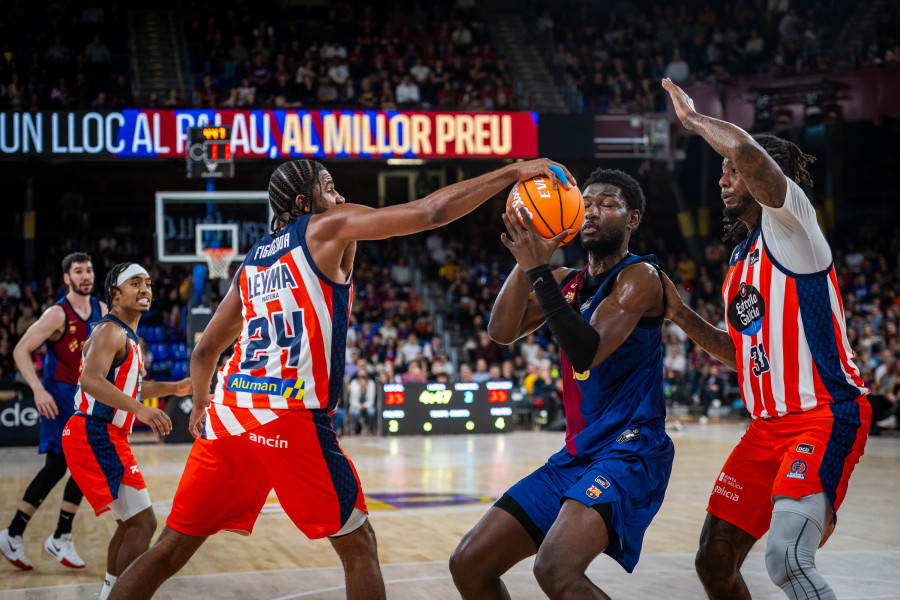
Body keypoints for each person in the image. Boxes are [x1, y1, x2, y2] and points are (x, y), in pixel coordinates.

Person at [108, 157, 573, 600]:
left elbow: (206, 349)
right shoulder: (327, 226)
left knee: (170, 550)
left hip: (229, 416)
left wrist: (204, 408)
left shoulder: (252, 263)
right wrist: (512, 171)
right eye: (328, 187)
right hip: (288, 415)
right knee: (359, 546)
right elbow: (430, 211)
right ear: (301, 204)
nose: (340, 194)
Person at [660, 77, 870, 600]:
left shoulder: (795, 227)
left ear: (761, 176)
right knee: (714, 560)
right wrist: (682, 317)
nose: (723, 179)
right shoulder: (738, 262)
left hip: (823, 416)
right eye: (723, 172)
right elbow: (743, 354)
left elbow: (751, 153)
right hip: (765, 429)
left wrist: (693, 122)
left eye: (732, 171)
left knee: (787, 559)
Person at [451, 168, 674, 598]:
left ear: (633, 219)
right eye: (586, 203)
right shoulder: (563, 280)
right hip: (578, 453)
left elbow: (585, 350)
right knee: (469, 563)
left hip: (631, 448)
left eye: (607, 204)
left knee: (556, 568)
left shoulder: (640, 278)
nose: (592, 211)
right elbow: (500, 330)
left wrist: (538, 270)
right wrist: (526, 264)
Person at [62, 262, 188, 600]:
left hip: (104, 434)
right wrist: (142, 411)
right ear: (115, 294)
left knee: (132, 523)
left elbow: (130, 386)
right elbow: (91, 381)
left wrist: (172, 388)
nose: (145, 288)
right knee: (143, 524)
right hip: (95, 432)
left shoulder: (127, 336)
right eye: (135, 283)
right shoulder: (110, 330)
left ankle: (110, 594)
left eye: (148, 282)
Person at [2, 253, 106, 570]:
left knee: (73, 467)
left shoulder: (101, 309)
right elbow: (21, 349)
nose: (86, 276)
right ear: (66, 278)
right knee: (61, 467)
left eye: (89, 270)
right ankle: (48, 535)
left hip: (85, 396)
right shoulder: (56, 314)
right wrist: (37, 388)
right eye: (78, 272)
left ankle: (21, 533)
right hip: (59, 396)